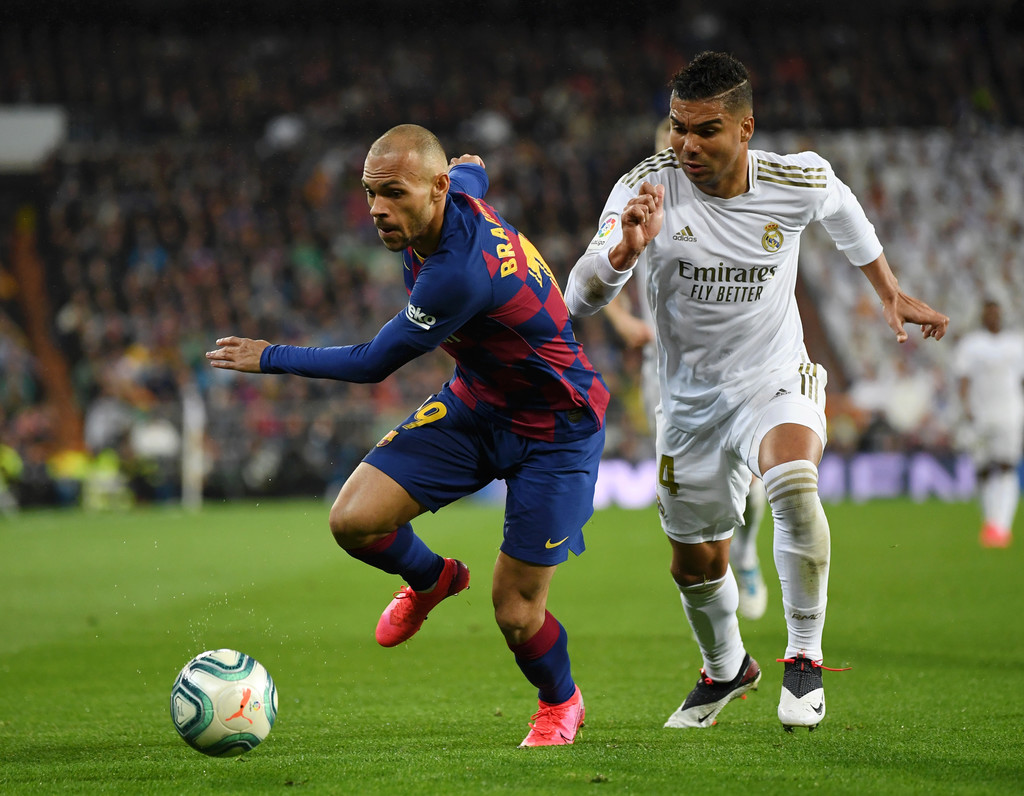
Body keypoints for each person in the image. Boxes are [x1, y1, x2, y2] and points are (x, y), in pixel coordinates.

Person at [566, 51, 948, 732]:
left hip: (774, 375)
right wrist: (624, 253)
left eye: (706, 130)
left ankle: (804, 660)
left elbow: (841, 208)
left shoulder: (793, 178)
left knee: (794, 485)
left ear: (746, 130)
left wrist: (888, 290)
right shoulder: (644, 189)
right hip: (689, 403)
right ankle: (725, 668)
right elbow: (580, 297)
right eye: (680, 127)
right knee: (695, 562)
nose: (687, 144)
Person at [207, 124, 609, 747]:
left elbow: (372, 364)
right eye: (370, 194)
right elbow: (471, 170)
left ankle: (561, 701)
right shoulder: (448, 196)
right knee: (353, 521)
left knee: (515, 612)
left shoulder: (458, 273)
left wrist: (270, 355)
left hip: (554, 429)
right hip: (477, 405)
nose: (377, 210)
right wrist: (469, 167)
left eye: (392, 194)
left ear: (435, 190)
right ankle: (433, 578)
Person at [603, 117, 769, 621]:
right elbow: (600, 270)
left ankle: (745, 552)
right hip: (667, 374)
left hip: (736, 368)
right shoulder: (640, 206)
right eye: (668, 147)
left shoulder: (725, 209)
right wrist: (624, 320)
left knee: (753, 481)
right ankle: (714, 569)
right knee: (695, 489)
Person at [953, 297, 1024, 548]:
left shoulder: (1016, 344)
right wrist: (966, 407)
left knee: (1006, 465)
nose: (993, 316)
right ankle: (991, 521)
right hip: (980, 415)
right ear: (982, 316)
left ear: (1001, 314)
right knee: (983, 469)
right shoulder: (971, 345)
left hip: (1010, 414)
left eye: (996, 312)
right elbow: (963, 379)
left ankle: (1001, 527)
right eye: (988, 312)